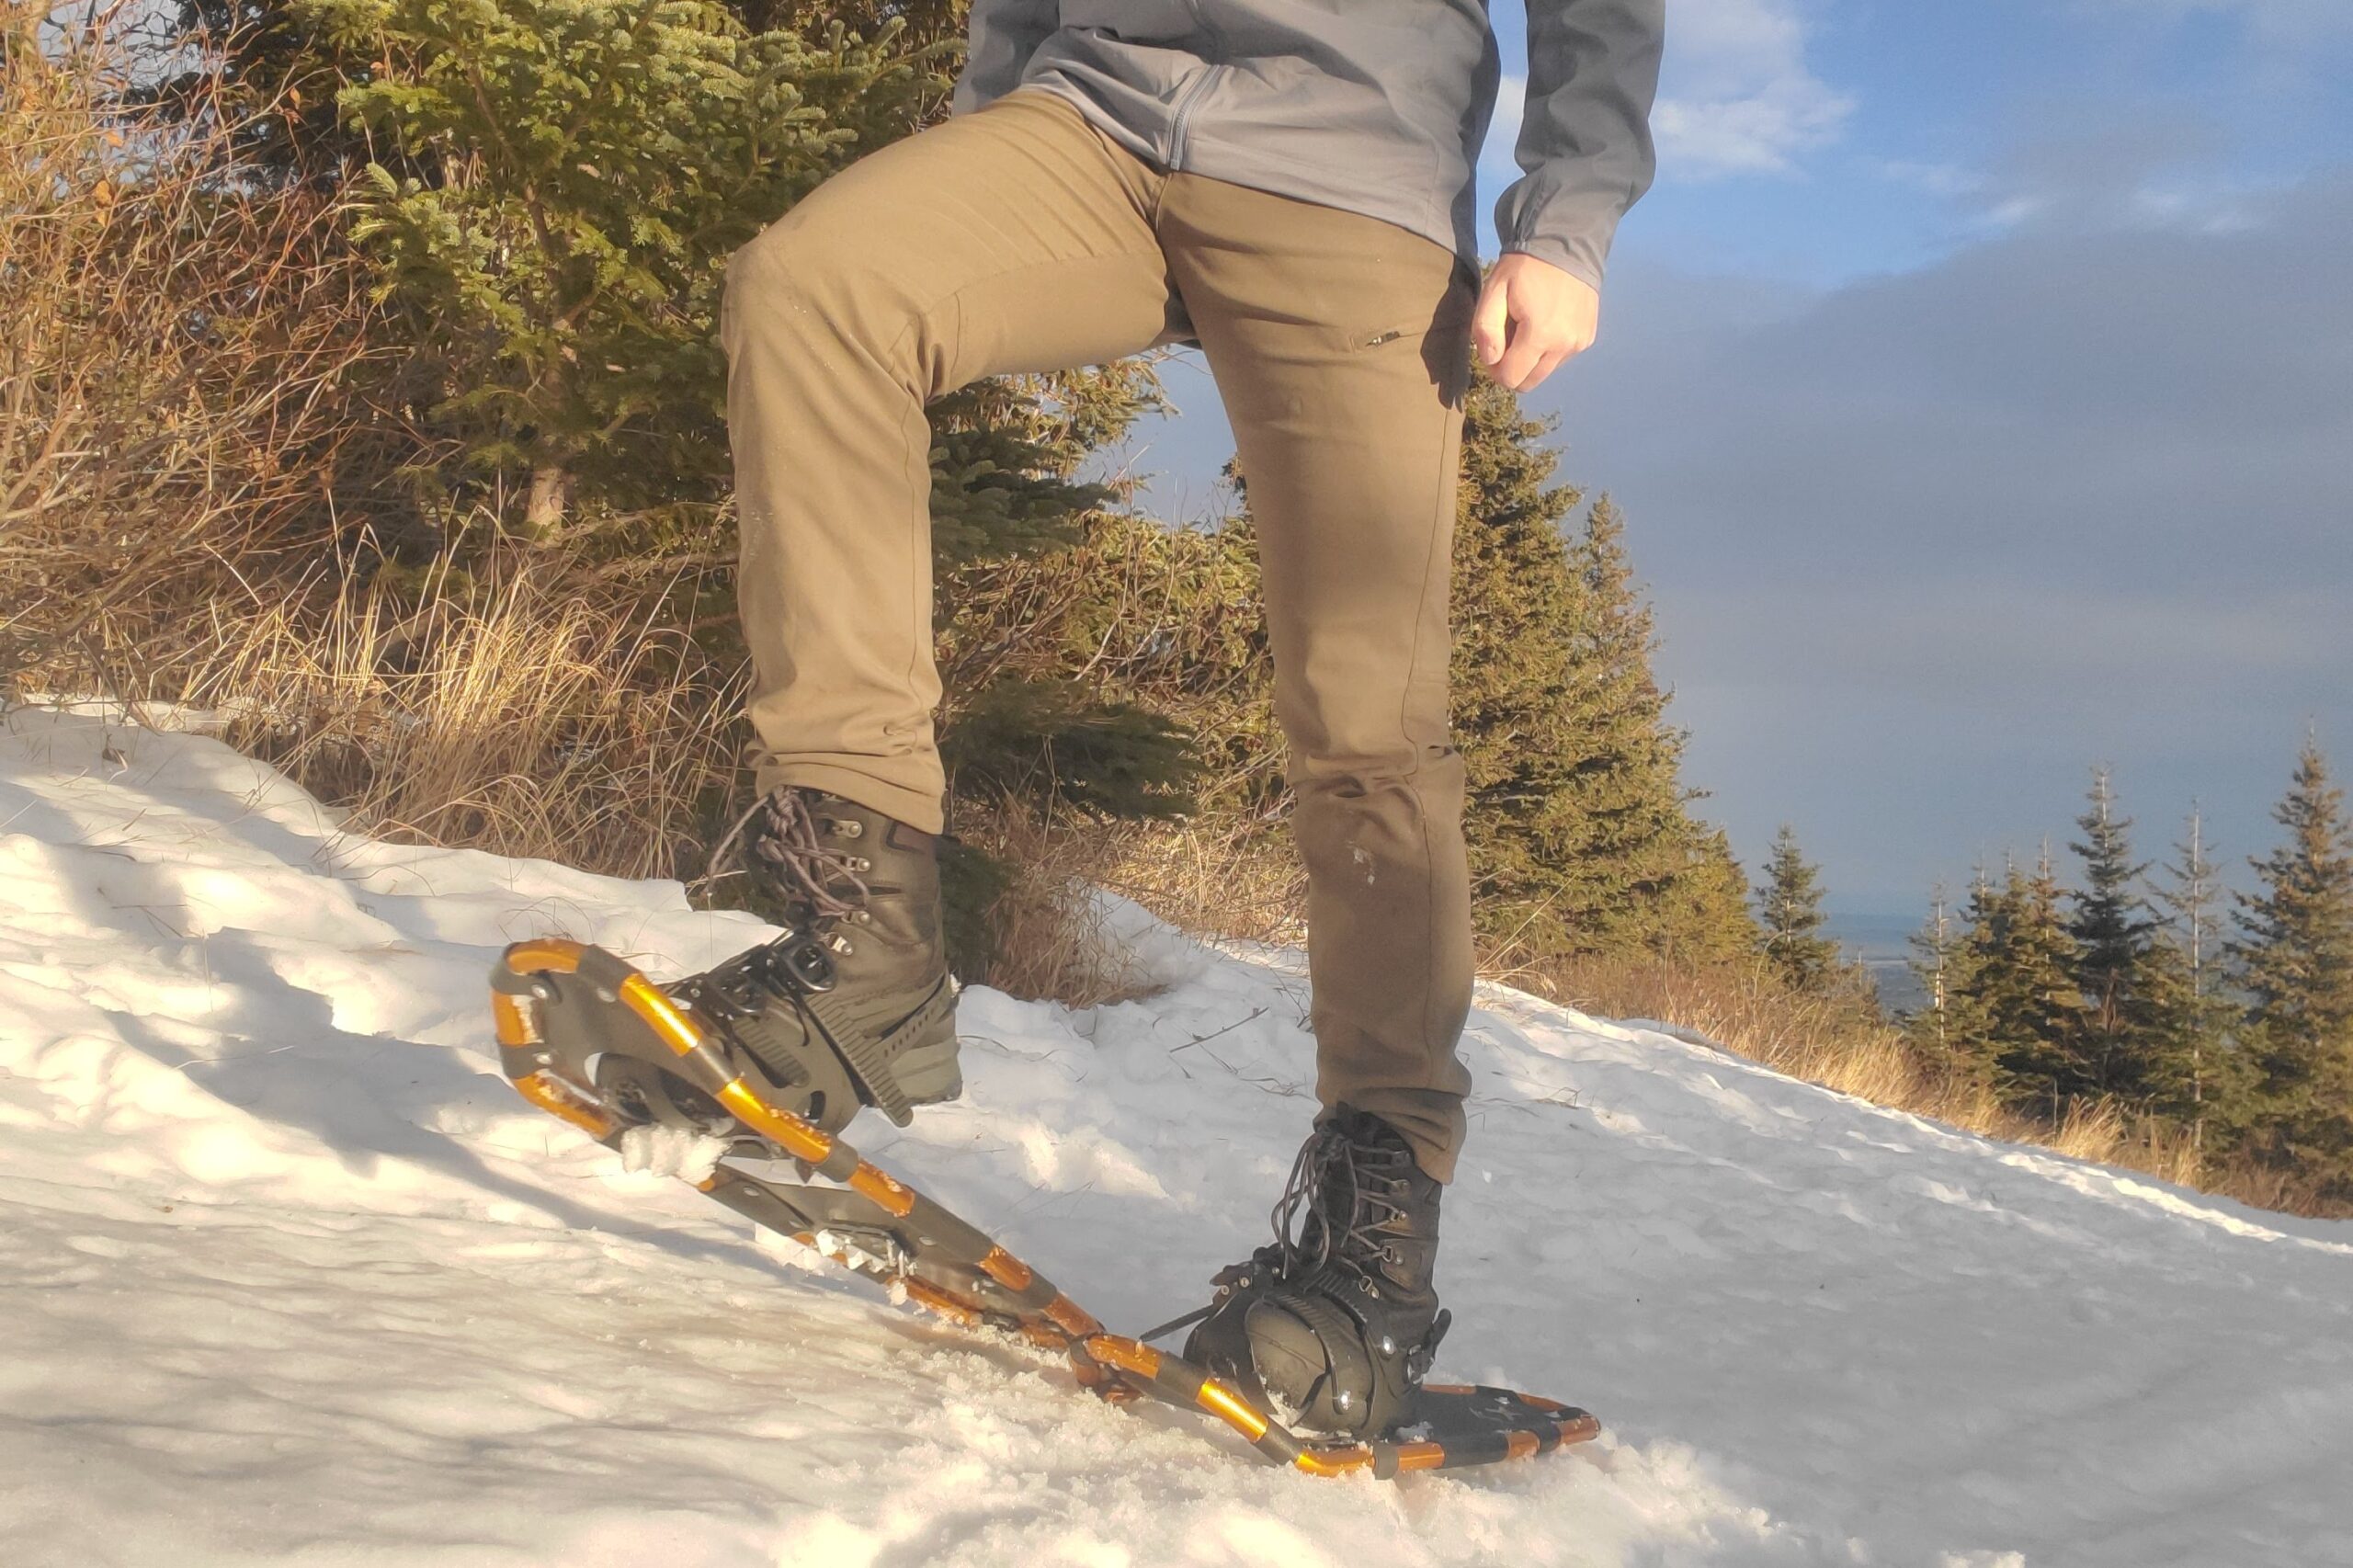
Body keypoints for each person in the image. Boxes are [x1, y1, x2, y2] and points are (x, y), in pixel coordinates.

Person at [709, 0, 1663, 1439]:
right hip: (1086, 121)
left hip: (1353, 166)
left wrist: (1568, 211)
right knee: (817, 286)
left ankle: (1369, 1249)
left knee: (1367, 722)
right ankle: (866, 942)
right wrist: (988, 114)